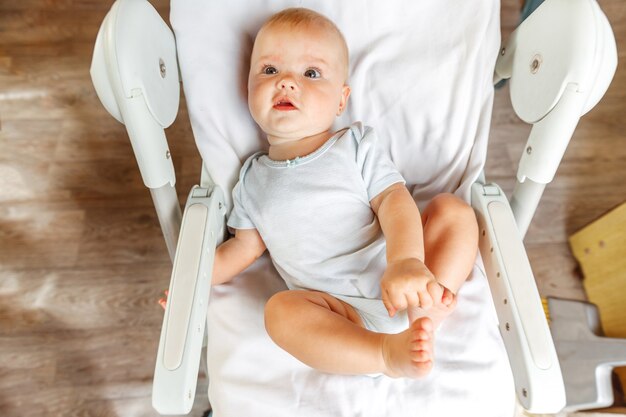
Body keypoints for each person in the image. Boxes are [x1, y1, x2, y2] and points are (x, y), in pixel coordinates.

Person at [162, 7, 479, 379]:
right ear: (246, 87)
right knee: (280, 311)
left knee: (453, 211)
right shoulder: (251, 179)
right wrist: (192, 280)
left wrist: (406, 261)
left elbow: (394, 201)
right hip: (338, 311)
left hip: (407, 277)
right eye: (269, 70)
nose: (287, 83)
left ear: (341, 101)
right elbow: (242, 249)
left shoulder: (354, 145)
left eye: (311, 73)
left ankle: (427, 309)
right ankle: (383, 353)